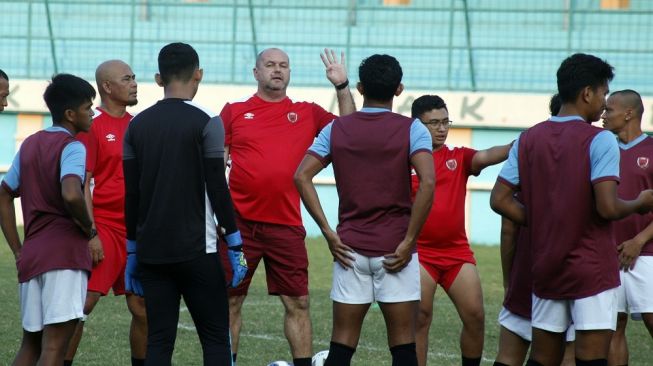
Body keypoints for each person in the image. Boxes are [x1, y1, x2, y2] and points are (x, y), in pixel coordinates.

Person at [490, 53, 653, 366]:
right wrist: (640, 202)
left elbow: (498, 199)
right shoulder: (601, 139)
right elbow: (607, 207)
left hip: (546, 267)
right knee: (591, 359)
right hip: (590, 269)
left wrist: (540, 222)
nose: (604, 105)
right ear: (587, 93)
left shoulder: (527, 138)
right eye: (604, 95)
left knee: (543, 359)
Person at [294, 54, 435, 366]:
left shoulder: (337, 129)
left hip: (349, 249)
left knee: (341, 346)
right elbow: (427, 182)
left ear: (359, 87)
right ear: (399, 89)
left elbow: (301, 176)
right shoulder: (413, 130)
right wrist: (410, 240)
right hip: (396, 250)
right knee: (403, 348)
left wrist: (329, 234)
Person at [218, 47, 355, 366]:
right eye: (269, 65)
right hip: (239, 230)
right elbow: (215, 161)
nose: (277, 70)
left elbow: (350, 130)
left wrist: (341, 85)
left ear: (290, 73)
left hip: (287, 227)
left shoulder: (307, 112)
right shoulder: (234, 111)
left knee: (298, 303)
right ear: (256, 72)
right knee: (230, 302)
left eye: (283, 66)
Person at [123, 42, 247, 365]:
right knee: (216, 339)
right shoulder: (208, 120)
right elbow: (218, 187)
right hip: (198, 249)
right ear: (199, 74)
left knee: (160, 342)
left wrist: (132, 250)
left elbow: (132, 194)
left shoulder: (136, 125)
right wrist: (234, 244)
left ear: (158, 78)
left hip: (151, 251)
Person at [0, 73, 96, 366]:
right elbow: (71, 193)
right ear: (70, 114)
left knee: (30, 346)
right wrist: (89, 229)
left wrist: (18, 249)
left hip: (33, 256)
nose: (92, 113)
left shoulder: (29, 144)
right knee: (55, 348)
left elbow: (4, 193)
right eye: (87, 107)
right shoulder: (74, 147)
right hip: (64, 255)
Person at [410, 95, 510, 366]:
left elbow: (486, 155)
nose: (442, 129)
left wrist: (520, 144)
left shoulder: (458, 157)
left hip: (456, 253)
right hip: (419, 254)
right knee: (421, 317)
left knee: (475, 316)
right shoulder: (403, 161)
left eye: (445, 122)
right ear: (417, 126)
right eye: (434, 124)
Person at [64, 60, 147, 366]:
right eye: (127, 79)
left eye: (134, 77)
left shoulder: (138, 124)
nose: (134, 83)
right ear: (107, 87)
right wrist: (92, 233)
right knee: (83, 304)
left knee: (142, 307)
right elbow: (84, 183)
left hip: (136, 232)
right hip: (105, 228)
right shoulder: (92, 126)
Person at [495, 94, 575, 366]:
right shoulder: (596, 145)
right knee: (567, 352)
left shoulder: (529, 142)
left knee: (510, 351)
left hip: (529, 268)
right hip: (577, 273)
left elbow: (507, 225)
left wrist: (510, 278)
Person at [602, 90, 653, 366]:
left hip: (647, 254)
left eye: (609, 110)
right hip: (608, 254)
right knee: (613, 326)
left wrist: (640, 240)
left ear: (629, 113)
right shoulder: (601, 148)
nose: (604, 114)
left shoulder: (651, 150)